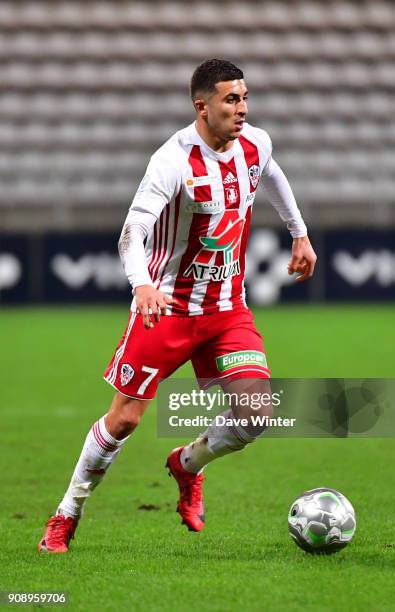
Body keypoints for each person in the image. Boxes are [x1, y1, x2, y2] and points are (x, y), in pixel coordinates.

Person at [38, 58, 316, 553]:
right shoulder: (171, 161)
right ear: (201, 105)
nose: (242, 109)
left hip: (228, 309)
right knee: (123, 420)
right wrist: (142, 285)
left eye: (245, 97)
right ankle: (66, 513)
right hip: (167, 309)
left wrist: (299, 232)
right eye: (232, 100)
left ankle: (186, 464)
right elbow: (133, 232)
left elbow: (270, 174)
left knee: (255, 414)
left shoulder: (256, 143)